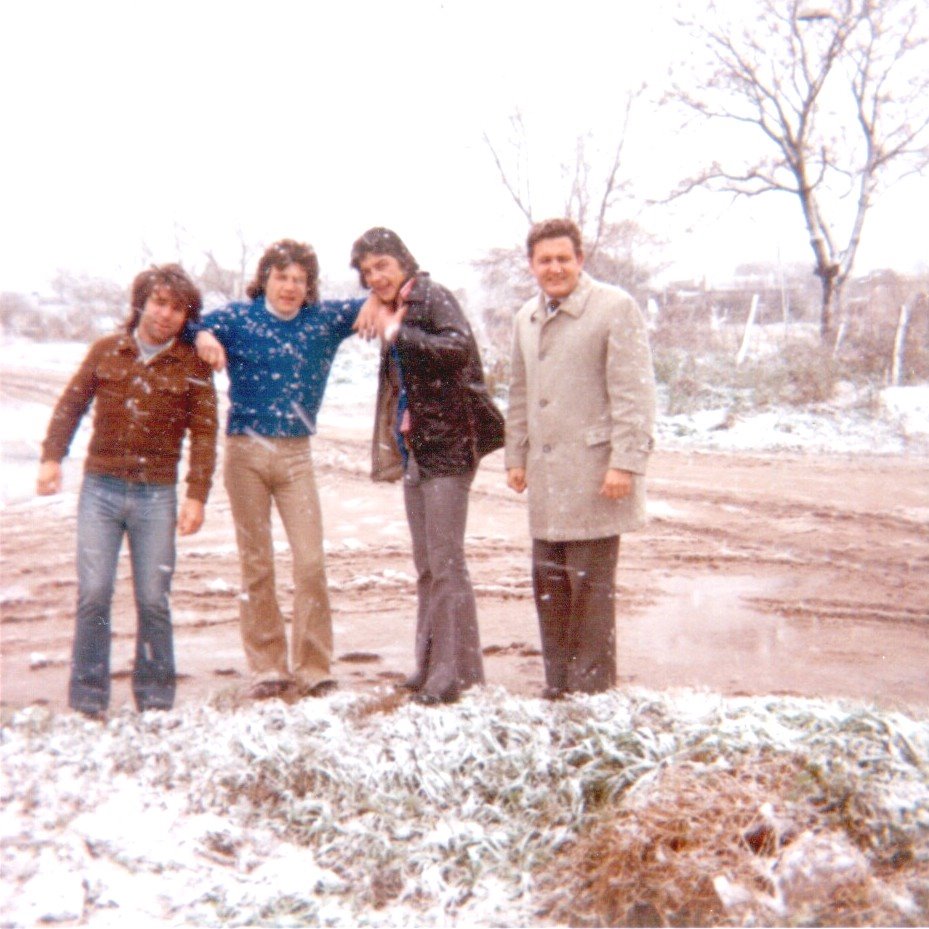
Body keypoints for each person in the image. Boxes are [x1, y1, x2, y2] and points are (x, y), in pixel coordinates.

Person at [194, 239, 375, 700]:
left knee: (310, 561)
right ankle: (268, 666)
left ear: (308, 285)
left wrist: (380, 302)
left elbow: (382, 294)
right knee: (257, 564)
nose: (291, 287)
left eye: (299, 279)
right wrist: (201, 335)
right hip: (244, 454)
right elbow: (185, 322)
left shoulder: (323, 320)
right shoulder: (237, 319)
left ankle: (314, 667)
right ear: (266, 279)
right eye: (282, 277)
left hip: (296, 454)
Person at [37, 264, 218, 718]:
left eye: (178, 308)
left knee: (153, 597)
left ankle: (155, 699)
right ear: (141, 303)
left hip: (156, 496)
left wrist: (196, 495)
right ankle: (88, 698)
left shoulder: (193, 365)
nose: (166, 314)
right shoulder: (106, 351)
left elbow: (205, 435)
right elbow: (70, 406)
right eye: (159, 302)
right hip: (100, 490)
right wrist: (51, 458)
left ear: (186, 316)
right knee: (94, 592)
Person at [350, 227, 504, 705]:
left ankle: (455, 675)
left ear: (403, 262)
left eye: (383, 266)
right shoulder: (399, 303)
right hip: (418, 448)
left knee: (446, 565)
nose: (376, 277)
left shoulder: (432, 296)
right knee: (426, 567)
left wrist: (402, 332)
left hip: (450, 447)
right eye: (367, 271)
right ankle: (432, 665)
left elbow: (459, 349)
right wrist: (384, 313)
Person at [505, 218, 656, 699]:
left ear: (580, 260)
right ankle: (558, 686)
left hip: (595, 477)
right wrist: (516, 455)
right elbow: (519, 392)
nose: (554, 268)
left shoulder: (615, 308)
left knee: (590, 595)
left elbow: (635, 395)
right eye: (544, 260)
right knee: (550, 587)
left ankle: (591, 695)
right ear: (531, 265)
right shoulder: (525, 317)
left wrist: (625, 462)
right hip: (548, 482)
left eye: (563, 258)